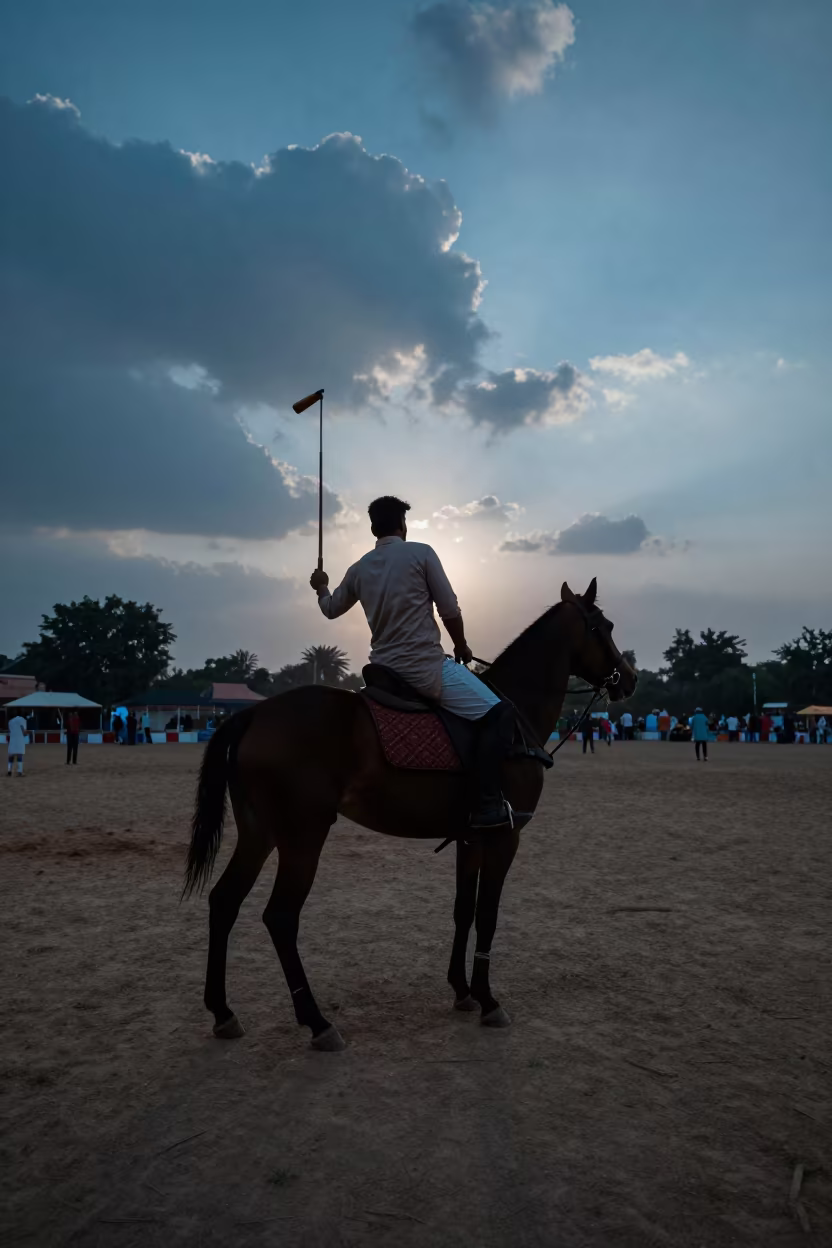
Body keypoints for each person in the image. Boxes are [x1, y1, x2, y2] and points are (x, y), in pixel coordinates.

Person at [310, 494, 513, 829]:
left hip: (381, 673)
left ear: (374, 528)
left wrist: (321, 587)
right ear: (403, 525)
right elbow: (449, 610)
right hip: (424, 669)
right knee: (501, 713)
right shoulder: (422, 553)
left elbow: (331, 609)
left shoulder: (359, 568)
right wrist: (461, 645)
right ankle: (487, 803)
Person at [7, 712, 28, 776]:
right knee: (19, 755)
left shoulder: (10, 721)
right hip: (19, 739)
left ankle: (9, 770)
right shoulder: (23, 720)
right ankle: (20, 771)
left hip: (12, 739)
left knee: (11, 755)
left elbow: (10, 731)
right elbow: (24, 731)